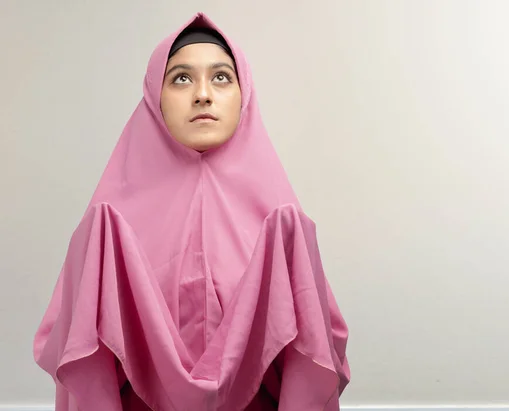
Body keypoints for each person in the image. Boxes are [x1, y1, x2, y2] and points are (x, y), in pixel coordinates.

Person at [33, 12, 350, 411]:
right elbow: (83, 359)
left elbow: (314, 354)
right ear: (154, 94)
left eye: (221, 77)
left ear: (243, 93)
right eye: (181, 78)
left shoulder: (286, 226)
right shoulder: (104, 228)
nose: (203, 94)